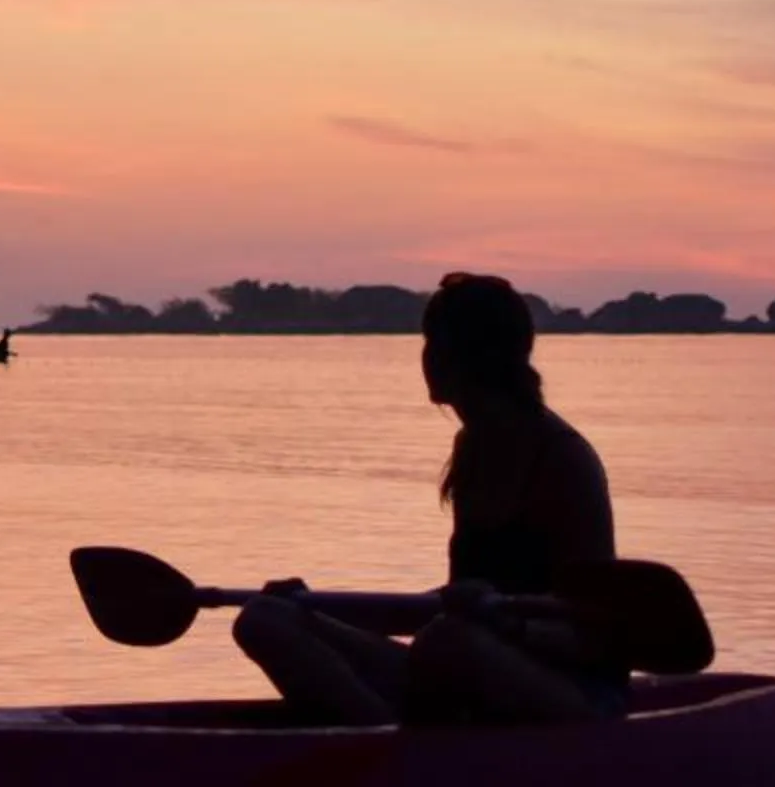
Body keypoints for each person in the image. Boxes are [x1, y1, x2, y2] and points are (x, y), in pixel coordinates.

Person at [231, 272, 620, 725]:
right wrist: (315, 606)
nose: (428, 359)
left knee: (447, 643)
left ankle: (392, 760)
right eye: (428, 343)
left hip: (574, 692)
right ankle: (381, 742)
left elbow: (597, 631)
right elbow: (449, 603)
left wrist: (508, 624)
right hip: (465, 666)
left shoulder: (563, 460)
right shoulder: (472, 448)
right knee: (265, 620)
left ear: (483, 356)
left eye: (440, 344)